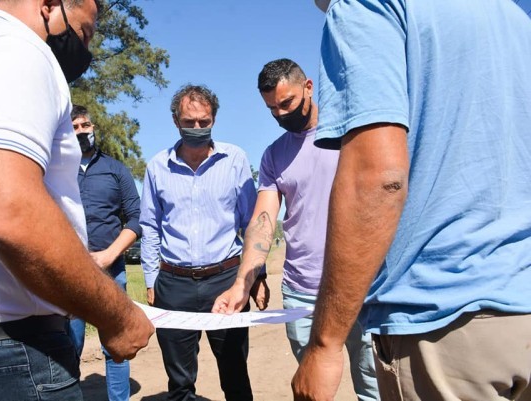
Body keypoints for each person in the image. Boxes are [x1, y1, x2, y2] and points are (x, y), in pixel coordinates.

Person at [293, 1, 531, 400]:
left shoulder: (366, 7)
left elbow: (377, 179)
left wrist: (325, 345)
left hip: (443, 324)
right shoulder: (513, 17)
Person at [0, 1, 154, 399]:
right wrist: (117, 316)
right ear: (50, 6)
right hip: (5, 356)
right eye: (84, 33)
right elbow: (10, 212)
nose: (85, 49)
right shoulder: (11, 48)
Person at [212, 58, 379, 401]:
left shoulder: (354, 134)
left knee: (377, 389)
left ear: (308, 88)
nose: (280, 114)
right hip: (302, 292)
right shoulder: (274, 155)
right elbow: (262, 222)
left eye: (286, 103)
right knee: (312, 392)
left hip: (364, 288)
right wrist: (243, 282)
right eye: (272, 109)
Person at [140, 84, 264, 401]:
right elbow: (150, 225)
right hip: (174, 284)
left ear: (213, 119)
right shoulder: (157, 167)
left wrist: (256, 277)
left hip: (225, 280)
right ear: (175, 122)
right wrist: (152, 278)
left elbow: (252, 223)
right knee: (179, 382)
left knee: (235, 373)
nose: (197, 128)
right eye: (189, 122)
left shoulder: (235, 160)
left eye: (203, 121)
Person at [68, 105, 142, 401]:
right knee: (68, 346)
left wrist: (110, 254)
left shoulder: (116, 169)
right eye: (74, 128)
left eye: (85, 125)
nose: (81, 132)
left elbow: (137, 218)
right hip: (68, 272)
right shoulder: (57, 170)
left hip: (112, 271)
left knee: (115, 346)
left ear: (94, 127)